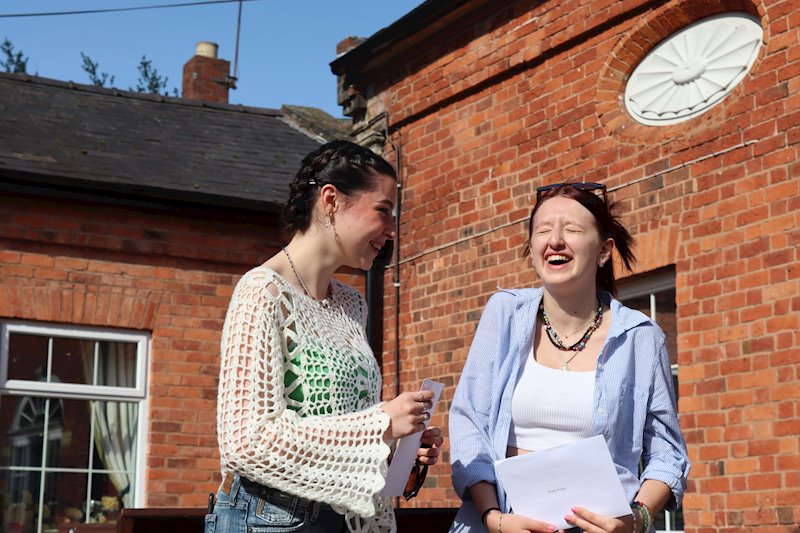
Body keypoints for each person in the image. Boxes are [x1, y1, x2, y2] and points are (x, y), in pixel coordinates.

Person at [207, 140, 444, 533]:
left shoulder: (352, 305)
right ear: (331, 200)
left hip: (344, 519)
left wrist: (396, 449)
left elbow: (336, 437)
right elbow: (247, 443)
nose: (392, 230)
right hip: (268, 520)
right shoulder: (262, 294)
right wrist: (379, 425)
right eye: (383, 211)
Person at [448, 182, 690, 533]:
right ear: (532, 247)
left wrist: (636, 520)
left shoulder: (641, 336)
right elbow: (470, 421)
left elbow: (668, 454)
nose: (555, 240)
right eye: (543, 230)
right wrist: (495, 519)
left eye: (572, 229)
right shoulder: (504, 314)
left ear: (604, 250)